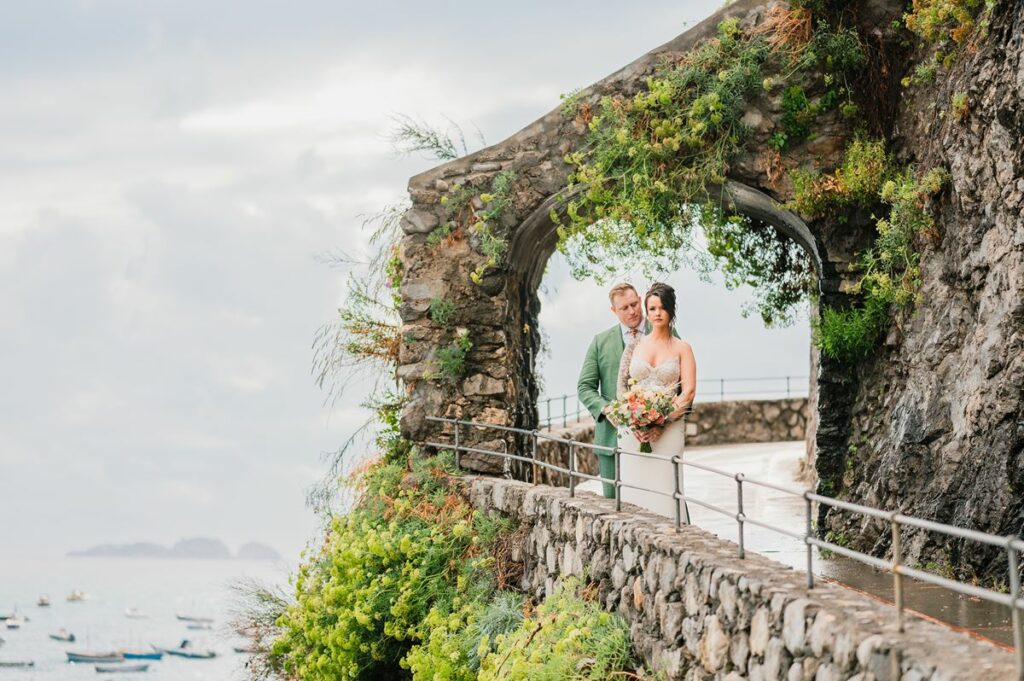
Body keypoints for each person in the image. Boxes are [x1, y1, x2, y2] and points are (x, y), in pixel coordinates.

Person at [614, 282, 696, 521]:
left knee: (665, 489)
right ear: (646, 312)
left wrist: (662, 421)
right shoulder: (633, 346)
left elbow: (688, 392)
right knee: (634, 491)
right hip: (634, 432)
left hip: (669, 431)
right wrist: (635, 421)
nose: (657, 313)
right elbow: (621, 388)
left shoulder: (683, 348)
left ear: (671, 311)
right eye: (652, 308)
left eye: (662, 308)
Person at [577, 283, 646, 498]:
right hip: (611, 439)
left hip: (656, 437)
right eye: (624, 308)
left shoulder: (663, 330)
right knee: (615, 510)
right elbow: (584, 387)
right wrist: (607, 409)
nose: (632, 311)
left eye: (634, 304)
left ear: (641, 300)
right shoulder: (600, 342)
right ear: (613, 311)